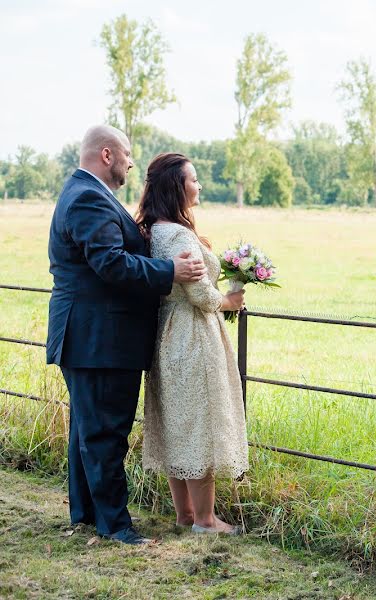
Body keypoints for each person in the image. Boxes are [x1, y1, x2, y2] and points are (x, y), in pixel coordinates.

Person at [47, 125, 207, 545]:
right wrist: (170, 271)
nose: (132, 162)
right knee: (105, 434)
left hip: (92, 336)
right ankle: (116, 525)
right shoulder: (87, 198)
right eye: (127, 154)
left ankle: (86, 513)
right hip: (99, 337)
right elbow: (111, 264)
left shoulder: (86, 194)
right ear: (106, 155)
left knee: (88, 429)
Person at [135, 152, 249, 535]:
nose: (199, 186)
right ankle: (205, 519)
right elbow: (200, 295)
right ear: (176, 186)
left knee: (178, 424)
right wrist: (230, 300)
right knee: (201, 424)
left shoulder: (155, 229)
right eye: (194, 179)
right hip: (193, 334)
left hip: (167, 336)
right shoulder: (180, 235)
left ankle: (185, 514)